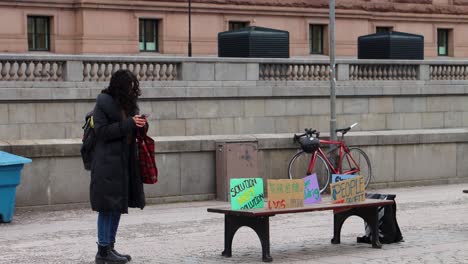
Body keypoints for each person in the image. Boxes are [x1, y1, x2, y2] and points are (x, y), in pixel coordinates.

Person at [90, 69, 147, 264]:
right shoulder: (103, 102)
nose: (132, 90)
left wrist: (141, 124)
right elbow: (102, 131)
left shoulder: (129, 104)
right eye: (129, 87)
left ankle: (110, 247)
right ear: (120, 86)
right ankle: (103, 251)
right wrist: (129, 124)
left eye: (134, 87)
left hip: (123, 163)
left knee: (116, 207)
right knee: (107, 207)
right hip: (107, 162)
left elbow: (131, 128)